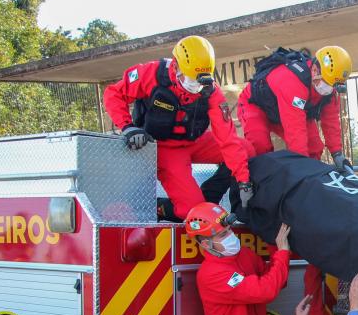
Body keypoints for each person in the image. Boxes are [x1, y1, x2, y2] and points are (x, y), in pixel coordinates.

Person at [103, 35, 253, 221]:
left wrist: (243, 181)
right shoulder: (152, 74)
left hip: (194, 142)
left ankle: (208, 196)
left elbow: (227, 138)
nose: (195, 85)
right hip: (165, 149)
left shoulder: (210, 91)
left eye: (200, 80)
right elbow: (113, 94)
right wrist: (127, 127)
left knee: (246, 150)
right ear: (176, 65)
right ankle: (162, 207)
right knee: (194, 213)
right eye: (191, 78)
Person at [238, 46, 352, 168]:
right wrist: (301, 166)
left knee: (314, 147)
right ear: (314, 70)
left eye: (333, 86)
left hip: (287, 110)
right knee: (260, 146)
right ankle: (258, 183)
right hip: (256, 106)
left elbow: (331, 121)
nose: (329, 89)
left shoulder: (330, 90)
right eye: (327, 83)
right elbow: (295, 129)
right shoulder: (293, 82)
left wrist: (337, 154)